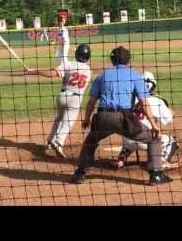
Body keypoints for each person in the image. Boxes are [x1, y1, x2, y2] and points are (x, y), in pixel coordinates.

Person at [71, 46, 172, 186]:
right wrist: (154, 126)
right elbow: (144, 103)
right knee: (154, 139)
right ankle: (156, 175)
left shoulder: (102, 75)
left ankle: (80, 173)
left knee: (91, 140)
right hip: (124, 119)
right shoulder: (135, 75)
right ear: (128, 60)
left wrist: (87, 119)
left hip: (103, 117)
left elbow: (91, 102)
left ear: (112, 60)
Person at [26, 44, 92, 158]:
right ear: (88, 57)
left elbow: (52, 74)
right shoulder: (88, 71)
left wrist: (35, 71)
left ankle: (50, 140)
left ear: (76, 55)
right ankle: (58, 142)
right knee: (68, 122)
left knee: (59, 119)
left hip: (62, 96)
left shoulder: (69, 64)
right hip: (75, 99)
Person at [114, 71, 180, 170]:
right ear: (153, 86)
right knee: (172, 141)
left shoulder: (128, 98)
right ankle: (161, 162)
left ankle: (121, 160)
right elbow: (169, 121)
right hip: (147, 140)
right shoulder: (157, 100)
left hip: (128, 139)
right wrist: (169, 110)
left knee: (130, 135)